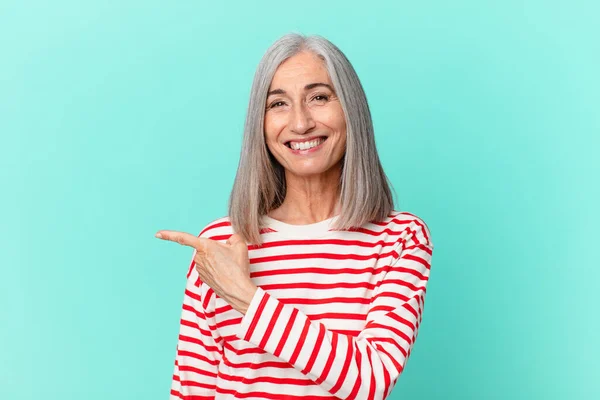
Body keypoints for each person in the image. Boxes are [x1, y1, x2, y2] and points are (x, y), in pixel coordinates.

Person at [156, 32, 435, 400]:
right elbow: (192, 391)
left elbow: (371, 380)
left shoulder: (399, 240)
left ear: (351, 109)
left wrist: (244, 295)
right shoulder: (219, 244)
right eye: (278, 104)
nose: (300, 123)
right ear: (261, 123)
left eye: (319, 97)